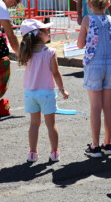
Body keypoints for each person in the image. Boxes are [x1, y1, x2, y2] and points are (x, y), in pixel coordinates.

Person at [18, 19, 69, 162]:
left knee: (34, 124)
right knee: (51, 124)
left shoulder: (26, 52)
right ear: (40, 34)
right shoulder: (50, 52)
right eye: (46, 30)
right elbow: (56, 73)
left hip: (30, 93)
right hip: (46, 93)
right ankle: (54, 153)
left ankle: (32, 153)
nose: (49, 31)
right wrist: (62, 90)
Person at [77, 0, 111, 157]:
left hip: (94, 65)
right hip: (110, 64)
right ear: (108, 4)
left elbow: (80, 44)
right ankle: (108, 144)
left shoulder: (87, 20)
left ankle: (95, 146)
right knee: (108, 106)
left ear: (89, 2)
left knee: (95, 107)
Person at [0, 0, 24, 111]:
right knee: (1, 64)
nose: (16, 5)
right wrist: (22, 56)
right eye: (17, 1)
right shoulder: (0, 5)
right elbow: (11, 35)